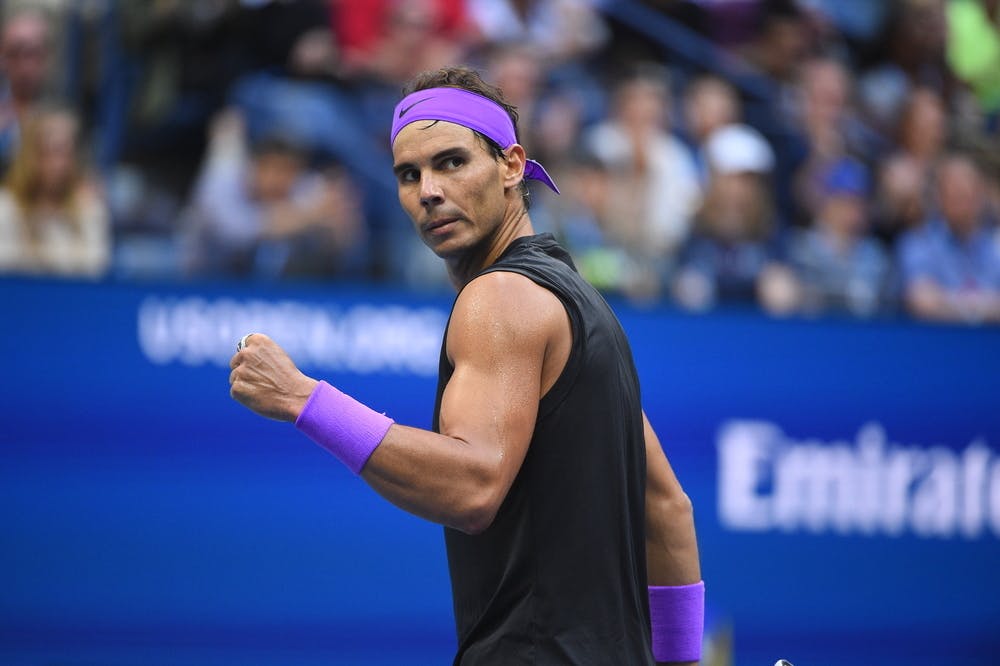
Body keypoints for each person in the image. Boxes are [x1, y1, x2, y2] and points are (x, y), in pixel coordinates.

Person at [229, 65, 703, 664]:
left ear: (511, 165)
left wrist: (303, 400)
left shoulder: (499, 298)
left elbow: (473, 486)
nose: (428, 190)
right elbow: (667, 509)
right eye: (409, 174)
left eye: (451, 162)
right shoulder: (583, 306)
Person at [0, 104, 110, 277]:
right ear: (28, 155)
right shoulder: (6, 206)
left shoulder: (88, 207)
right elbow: (6, 268)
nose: (57, 164)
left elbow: (96, 268)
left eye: (64, 153)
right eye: (47, 152)